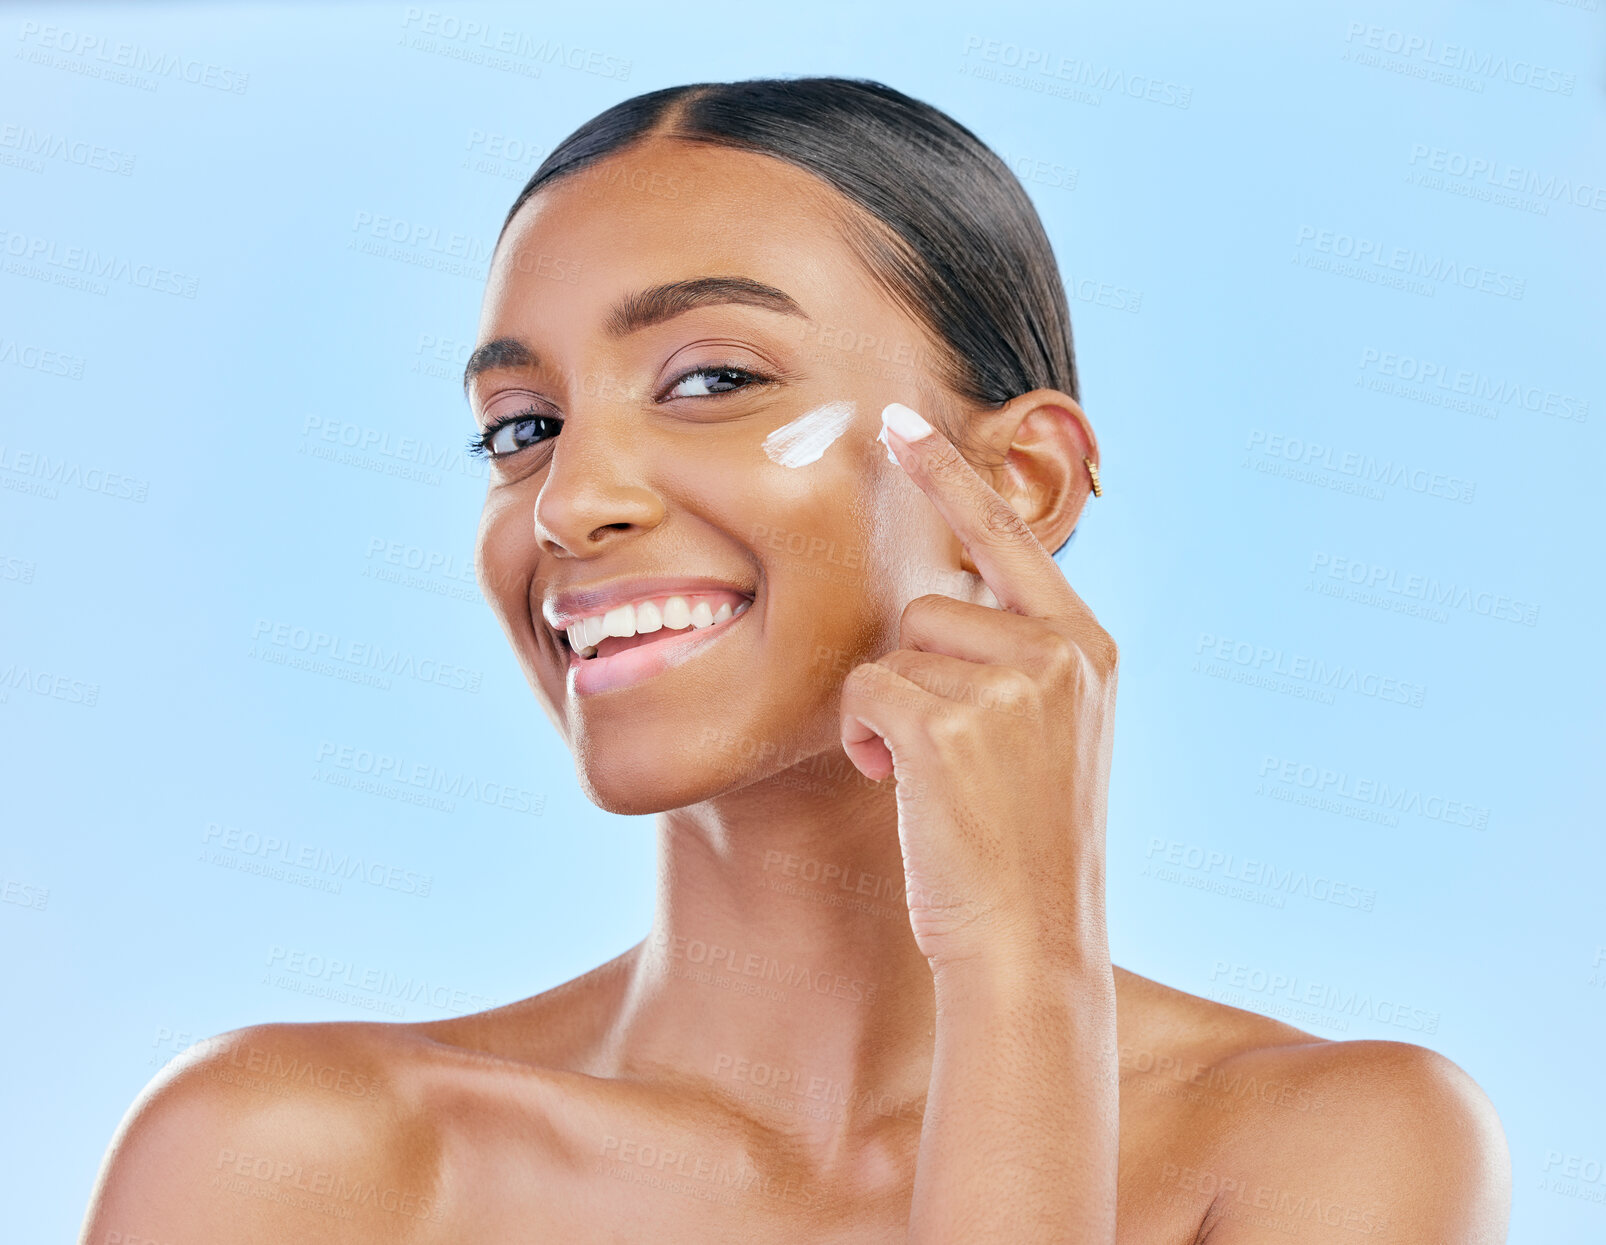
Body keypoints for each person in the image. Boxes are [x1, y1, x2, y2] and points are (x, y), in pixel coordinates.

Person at [80, 77, 1510, 1243]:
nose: (571, 500)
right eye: (521, 427)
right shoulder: (288, 1161)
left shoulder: (1327, 1151)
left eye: (712, 379)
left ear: (1017, 480)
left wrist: (1021, 966)